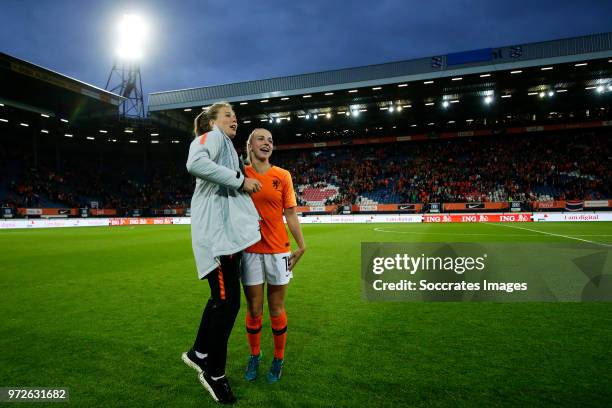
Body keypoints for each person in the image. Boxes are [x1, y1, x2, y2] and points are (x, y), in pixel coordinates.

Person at [182, 102, 262, 404]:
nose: (234, 120)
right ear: (212, 121)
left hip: (227, 239)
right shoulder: (212, 138)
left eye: (235, 116)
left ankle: (198, 353)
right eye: (228, 114)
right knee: (227, 305)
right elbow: (195, 163)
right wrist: (242, 181)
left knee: (222, 301)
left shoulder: (226, 146)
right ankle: (214, 374)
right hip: (219, 241)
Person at [241, 128, 306, 383]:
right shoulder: (239, 175)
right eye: (261, 139)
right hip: (249, 251)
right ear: (249, 145)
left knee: (276, 309)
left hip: (279, 250)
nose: (267, 143)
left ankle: (278, 359)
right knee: (255, 309)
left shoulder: (283, 175)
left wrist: (301, 245)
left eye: (270, 140)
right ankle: (254, 356)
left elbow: (290, 213)